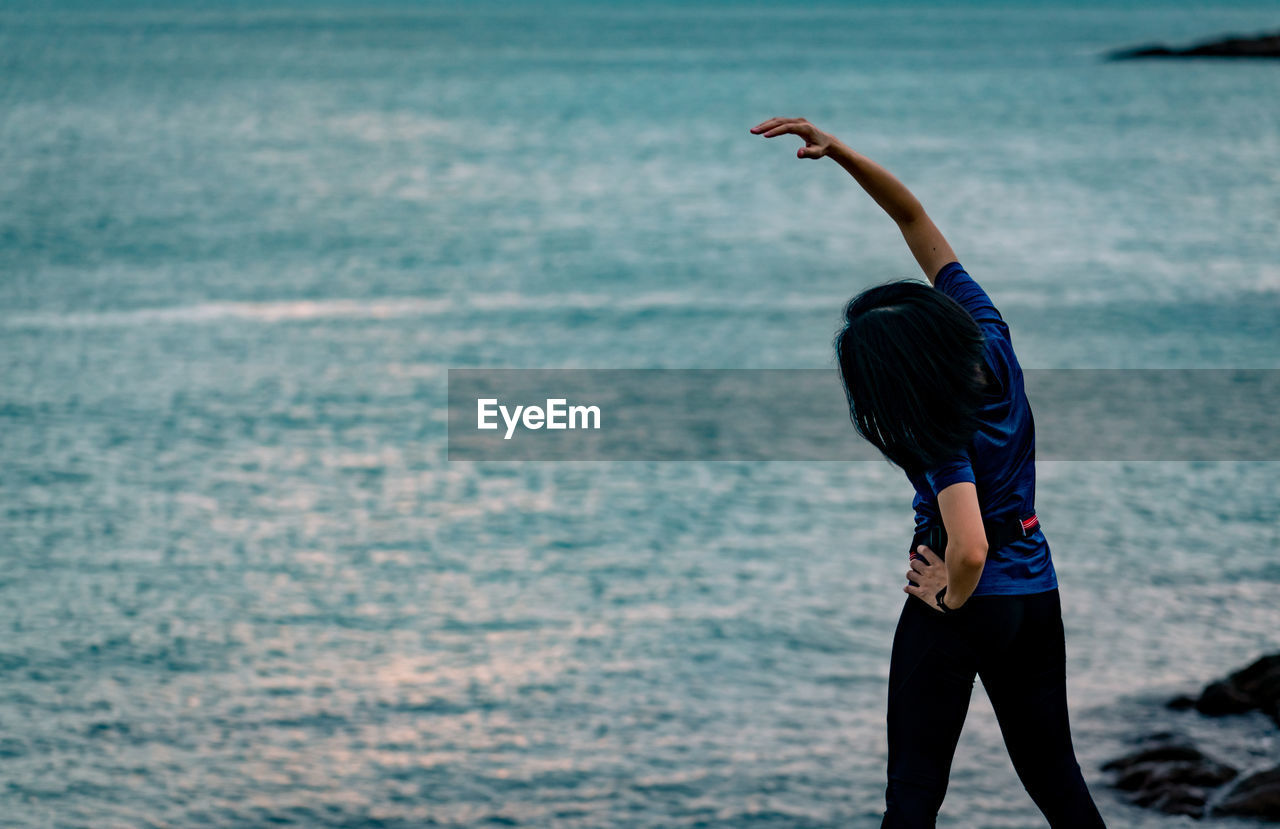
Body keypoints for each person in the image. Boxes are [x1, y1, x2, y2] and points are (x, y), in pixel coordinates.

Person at [750, 117, 1107, 828]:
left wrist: (950, 597)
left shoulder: (935, 424)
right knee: (1056, 779)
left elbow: (968, 541)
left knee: (914, 793)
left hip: (968, 599)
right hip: (1036, 589)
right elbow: (914, 218)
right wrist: (844, 154)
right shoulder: (991, 336)